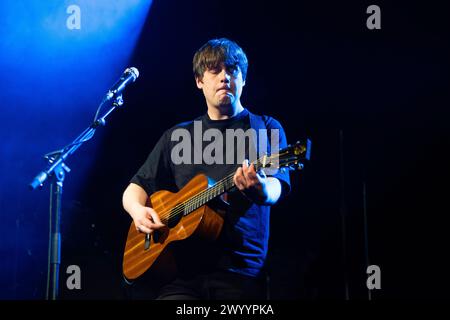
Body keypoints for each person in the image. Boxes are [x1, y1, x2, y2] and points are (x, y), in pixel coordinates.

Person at [122, 38, 291, 300]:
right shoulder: (177, 135)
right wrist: (138, 211)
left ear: (243, 79)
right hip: (179, 274)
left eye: (232, 70)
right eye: (215, 70)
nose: (225, 77)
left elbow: (276, 187)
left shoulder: (266, 128)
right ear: (199, 81)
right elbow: (135, 188)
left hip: (238, 271)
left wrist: (261, 190)